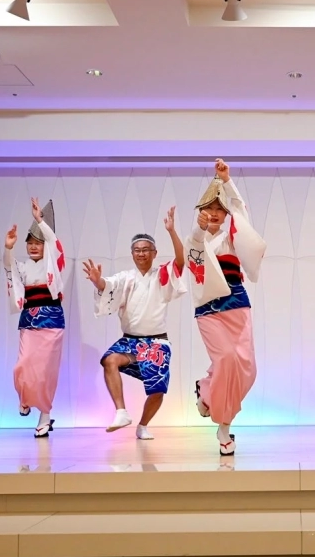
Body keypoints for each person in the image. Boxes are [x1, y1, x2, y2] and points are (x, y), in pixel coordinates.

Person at [84, 207, 187, 440]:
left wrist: (171, 231)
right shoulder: (126, 277)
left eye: (145, 250)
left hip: (156, 343)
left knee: (158, 390)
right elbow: (107, 286)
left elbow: (181, 261)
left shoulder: (162, 273)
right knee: (109, 360)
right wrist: (98, 281)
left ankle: (143, 425)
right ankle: (121, 412)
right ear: (132, 254)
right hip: (130, 342)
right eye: (137, 250)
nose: (141, 254)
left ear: (154, 252)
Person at [187, 159, 267, 456]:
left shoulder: (232, 237)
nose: (215, 215)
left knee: (248, 370)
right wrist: (199, 232)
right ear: (201, 213)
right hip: (209, 310)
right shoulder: (196, 239)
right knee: (226, 360)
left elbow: (242, 212)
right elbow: (193, 254)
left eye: (220, 209)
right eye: (210, 209)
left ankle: (206, 390)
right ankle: (223, 426)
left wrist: (227, 180)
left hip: (237, 304)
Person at [4, 197, 66, 438]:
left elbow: (54, 242)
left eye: (38, 243)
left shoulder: (55, 265)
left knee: (45, 372)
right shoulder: (24, 267)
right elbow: (8, 267)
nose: (33, 247)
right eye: (29, 243)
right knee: (23, 365)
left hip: (51, 321)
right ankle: (25, 398)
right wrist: (8, 247)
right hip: (29, 321)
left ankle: (45, 415)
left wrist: (40, 220)